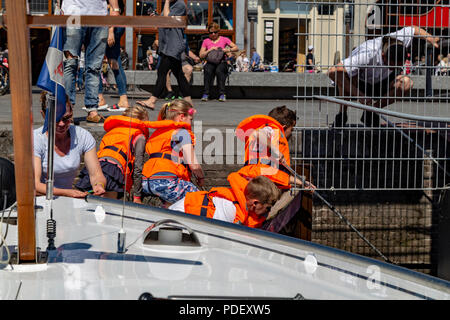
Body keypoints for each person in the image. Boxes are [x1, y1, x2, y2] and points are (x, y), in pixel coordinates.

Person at [327, 26, 439, 127]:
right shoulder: (368, 53)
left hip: (383, 82)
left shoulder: (399, 40)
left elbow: (414, 29)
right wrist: (359, 95)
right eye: (391, 65)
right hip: (360, 82)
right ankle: (342, 114)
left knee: (406, 83)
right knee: (343, 74)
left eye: (398, 65)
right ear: (383, 56)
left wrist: (431, 38)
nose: (394, 67)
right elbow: (332, 71)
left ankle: (372, 111)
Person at [231, 106, 315, 223]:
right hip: (255, 187)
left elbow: (275, 175)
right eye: (292, 129)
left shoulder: (272, 134)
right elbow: (258, 134)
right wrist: (275, 150)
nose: (292, 134)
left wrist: (301, 182)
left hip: (256, 186)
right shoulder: (271, 129)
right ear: (285, 127)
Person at [34, 92, 106, 198]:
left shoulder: (83, 136)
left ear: (72, 112)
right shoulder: (36, 139)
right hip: (39, 199)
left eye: (66, 118)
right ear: (44, 115)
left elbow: (96, 174)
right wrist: (67, 192)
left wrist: (98, 185)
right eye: (56, 119)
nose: (62, 124)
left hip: (67, 197)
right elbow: (34, 185)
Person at [62, 0, 121, 123]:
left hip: (99, 16)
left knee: (94, 67)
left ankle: (92, 109)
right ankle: (68, 110)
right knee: (70, 64)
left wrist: (115, 9)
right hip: (73, 13)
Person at [75, 105, 149, 200]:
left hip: (95, 166)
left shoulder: (112, 131)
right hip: (113, 170)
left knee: (87, 204)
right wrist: (137, 196)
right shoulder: (139, 136)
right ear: (141, 121)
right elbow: (138, 169)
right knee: (109, 207)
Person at [142, 100, 205, 206]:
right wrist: (201, 177)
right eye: (191, 119)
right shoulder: (182, 132)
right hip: (166, 181)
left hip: (145, 182)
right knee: (201, 200)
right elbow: (194, 165)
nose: (191, 123)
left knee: (171, 205)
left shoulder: (157, 133)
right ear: (181, 117)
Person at [136, 0, 192, 110]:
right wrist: (157, 18)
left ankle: (152, 101)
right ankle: (189, 102)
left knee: (162, 71)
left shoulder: (180, 4)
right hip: (167, 46)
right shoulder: (169, 5)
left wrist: (166, 2)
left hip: (173, 45)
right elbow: (164, 22)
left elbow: (167, 20)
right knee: (179, 75)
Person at [169, 175, 280, 228]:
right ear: (255, 203)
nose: (268, 213)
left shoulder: (242, 208)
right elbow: (216, 235)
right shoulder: (229, 207)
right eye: (268, 208)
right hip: (176, 220)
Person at [97, 0, 130, 112]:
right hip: (115, 24)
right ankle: (123, 99)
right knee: (114, 64)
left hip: (112, 25)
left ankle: (100, 98)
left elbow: (113, 7)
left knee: (96, 62)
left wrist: (110, 30)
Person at [199, 22, 239, 102]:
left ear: (218, 32)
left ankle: (222, 93)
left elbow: (236, 48)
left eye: (215, 32)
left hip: (221, 61)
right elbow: (201, 55)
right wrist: (209, 50)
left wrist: (228, 50)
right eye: (211, 32)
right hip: (210, 61)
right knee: (207, 69)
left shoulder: (224, 39)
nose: (213, 34)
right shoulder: (206, 41)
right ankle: (206, 93)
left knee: (219, 70)